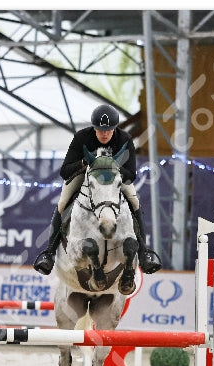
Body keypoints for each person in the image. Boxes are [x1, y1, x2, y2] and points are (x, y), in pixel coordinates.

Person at [33, 104, 162, 276]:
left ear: (115, 128)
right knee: (63, 201)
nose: (104, 133)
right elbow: (64, 171)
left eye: (108, 129)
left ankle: (144, 252)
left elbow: (131, 175)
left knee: (134, 200)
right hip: (86, 175)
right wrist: (84, 164)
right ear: (94, 128)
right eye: (100, 129)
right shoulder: (81, 137)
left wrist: (112, 167)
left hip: (114, 178)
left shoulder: (124, 139)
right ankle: (49, 253)